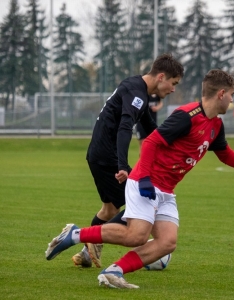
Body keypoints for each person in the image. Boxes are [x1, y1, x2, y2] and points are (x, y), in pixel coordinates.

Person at [46, 69, 234, 289]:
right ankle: (75, 234)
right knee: (137, 235)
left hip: (166, 190)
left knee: (167, 242)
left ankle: (113, 271)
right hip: (146, 183)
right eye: (232, 95)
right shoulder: (187, 116)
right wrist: (144, 177)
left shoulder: (216, 124)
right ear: (221, 94)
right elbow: (152, 141)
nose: (233, 100)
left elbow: (224, 153)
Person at [71, 53, 184, 269]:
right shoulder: (136, 93)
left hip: (100, 154)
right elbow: (125, 127)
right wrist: (122, 165)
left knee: (110, 210)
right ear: (161, 77)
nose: (173, 89)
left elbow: (152, 129)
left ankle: (87, 252)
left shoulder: (138, 89)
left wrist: (175, 145)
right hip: (106, 156)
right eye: (173, 83)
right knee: (142, 199)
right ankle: (85, 240)